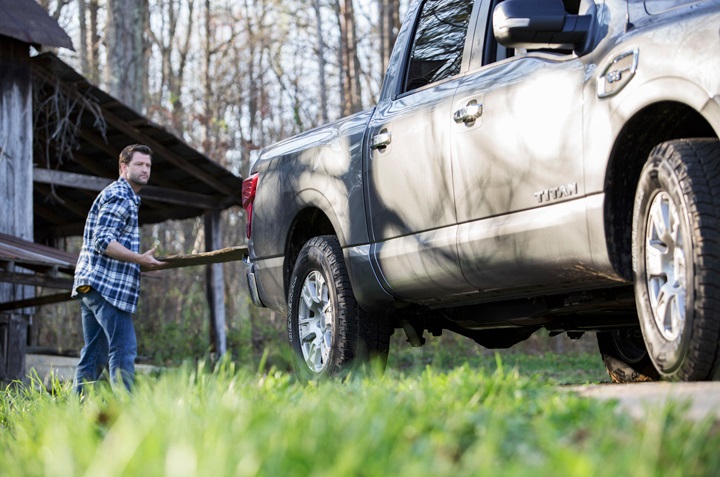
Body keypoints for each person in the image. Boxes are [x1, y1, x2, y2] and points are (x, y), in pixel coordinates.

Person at [72, 144, 164, 393]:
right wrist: (138, 259)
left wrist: (140, 261)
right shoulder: (121, 195)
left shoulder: (123, 196)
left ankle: (76, 417)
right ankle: (126, 414)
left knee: (93, 355)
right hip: (105, 287)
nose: (145, 170)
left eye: (148, 165)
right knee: (123, 348)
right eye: (139, 164)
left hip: (90, 285)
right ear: (124, 167)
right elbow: (102, 240)